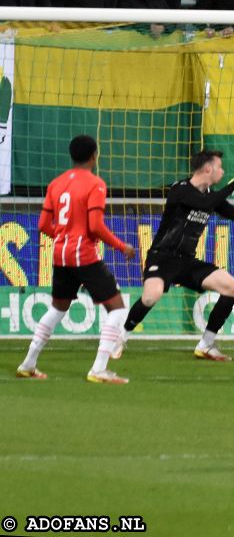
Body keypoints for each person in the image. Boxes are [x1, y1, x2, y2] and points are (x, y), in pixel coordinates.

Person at [119, 150, 234, 362]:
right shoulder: (180, 189)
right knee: (151, 296)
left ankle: (206, 344)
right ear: (208, 168)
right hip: (162, 258)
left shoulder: (211, 197)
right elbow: (202, 203)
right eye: (220, 167)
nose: (223, 171)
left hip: (187, 261)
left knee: (232, 287)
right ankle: (121, 337)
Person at [16, 135, 136, 384]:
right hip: (83, 255)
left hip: (60, 255)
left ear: (72, 156)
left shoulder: (56, 183)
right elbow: (95, 225)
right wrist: (121, 246)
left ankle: (28, 364)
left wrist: (63, 236)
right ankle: (99, 369)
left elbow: (42, 225)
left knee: (58, 308)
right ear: (94, 155)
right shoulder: (96, 184)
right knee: (117, 308)